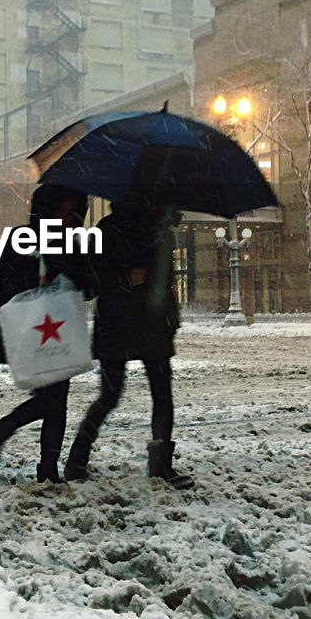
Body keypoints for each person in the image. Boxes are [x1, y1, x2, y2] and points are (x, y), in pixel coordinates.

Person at [64, 202, 194, 489]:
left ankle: (158, 465)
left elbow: (166, 281)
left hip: (144, 324)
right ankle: (78, 460)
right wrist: (124, 279)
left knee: (154, 395)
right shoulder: (112, 231)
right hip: (122, 323)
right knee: (115, 395)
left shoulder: (160, 232)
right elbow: (89, 282)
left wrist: (171, 317)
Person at [0, 184, 92, 484]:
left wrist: (63, 264)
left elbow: (88, 285)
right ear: (48, 209)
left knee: (57, 400)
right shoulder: (23, 239)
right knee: (52, 401)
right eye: (63, 209)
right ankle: (4, 430)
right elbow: (9, 288)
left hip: (57, 333)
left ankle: (47, 467)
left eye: (73, 210)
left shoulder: (69, 242)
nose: (69, 216)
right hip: (32, 333)